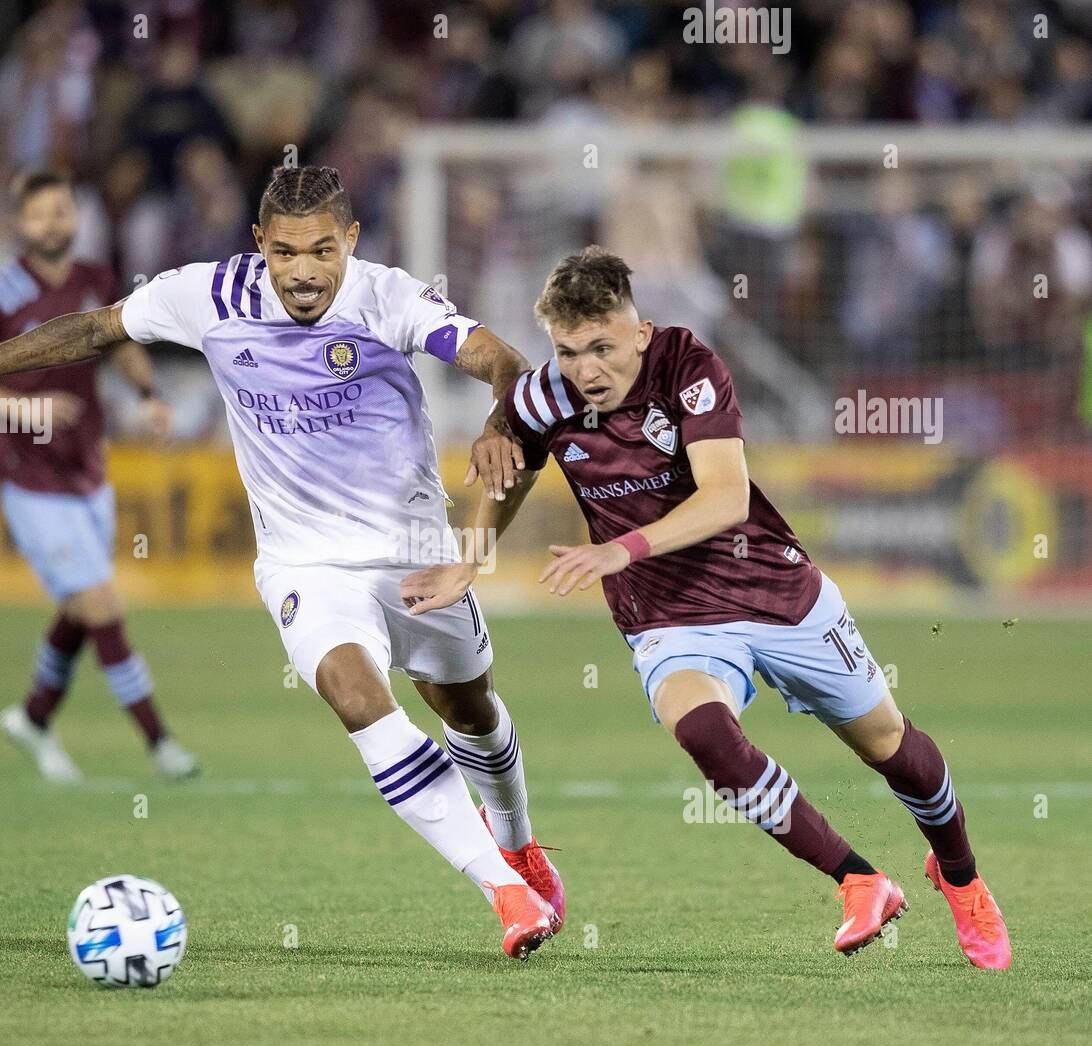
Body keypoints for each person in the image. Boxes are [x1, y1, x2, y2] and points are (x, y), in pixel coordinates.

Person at [0, 166, 564, 962]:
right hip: (303, 563)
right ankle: (502, 893)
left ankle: (520, 847)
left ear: (353, 243)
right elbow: (97, 328)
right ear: (260, 243)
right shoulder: (210, 296)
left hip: (413, 552)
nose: (305, 271)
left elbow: (504, 361)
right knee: (356, 695)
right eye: (288, 252)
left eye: (324, 251)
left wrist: (505, 421)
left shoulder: (389, 297)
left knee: (466, 708)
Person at [404, 246, 1011, 970]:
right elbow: (513, 470)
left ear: (639, 331)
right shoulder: (545, 397)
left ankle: (962, 876)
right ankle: (860, 880)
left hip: (773, 590)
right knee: (703, 732)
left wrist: (618, 550)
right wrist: (470, 559)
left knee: (890, 746)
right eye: (568, 352)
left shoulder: (688, 367)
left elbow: (724, 498)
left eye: (602, 347)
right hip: (667, 617)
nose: (586, 370)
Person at [0, 171, 198, 782]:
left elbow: (121, 340)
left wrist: (149, 393)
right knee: (100, 599)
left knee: (83, 604)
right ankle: (161, 745)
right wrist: (27, 409)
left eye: (62, 211)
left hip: (87, 465)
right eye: (40, 214)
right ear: (19, 225)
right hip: (28, 474)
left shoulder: (94, 280)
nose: (53, 223)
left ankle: (33, 717)